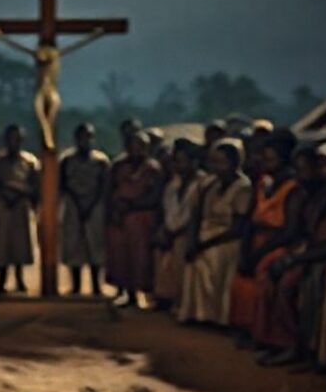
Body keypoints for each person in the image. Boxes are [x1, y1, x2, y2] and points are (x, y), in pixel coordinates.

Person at [267, 140, 326, 370]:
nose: (320, 170)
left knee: (320, 301)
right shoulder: (323, 192)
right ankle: (297, 347)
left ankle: (318, 355)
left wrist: (298, 258)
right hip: (315, 254)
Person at [229, 129, 305, 347]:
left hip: (279, 244)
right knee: (241, 278)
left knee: (264, 274)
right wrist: (246, 250)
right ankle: (248, 329)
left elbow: (289, 231)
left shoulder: (294, 188)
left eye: (269, 157)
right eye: (263, 156)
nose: (263, 161)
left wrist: (259, 253)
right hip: (257, 241)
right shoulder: (263, 183)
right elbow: (249, 220)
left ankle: (270, 337)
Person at [178, 138, 252, 325]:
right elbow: (197, 213)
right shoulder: (210, 184)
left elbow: (238, 228)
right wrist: (194, 239)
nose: (216, 167)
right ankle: (196, 313)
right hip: (206, 234)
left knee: (211, 257)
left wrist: (205, 243)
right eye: (214, 162)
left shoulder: (243, 187)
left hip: (226, 239)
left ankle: (214, 316)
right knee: (192, 256)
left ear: (235, 163)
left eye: (221, 162)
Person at [107, 130, 164, 308]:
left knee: (142, 258)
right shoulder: (118, 166)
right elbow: (110, 190)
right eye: (133, 146)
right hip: (120, 219)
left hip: (143, 218)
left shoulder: (153, 169)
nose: (137, 150)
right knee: (122, 258)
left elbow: (156, 196)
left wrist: (133, 204)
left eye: (141, 146)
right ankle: (127, 293)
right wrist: (115, 211)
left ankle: (144, 295)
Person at [153, 138, 206, 310]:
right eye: (175, 161)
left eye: (181, 161)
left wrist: (178, 231)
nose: (177, 165)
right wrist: (165, 229)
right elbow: (167, 210)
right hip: (172, 230)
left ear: (194, 162)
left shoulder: (203, 184)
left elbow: (198, 215)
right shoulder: (172, 184)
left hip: (190, 233)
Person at [0, 124, 40, 296]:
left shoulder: (30, 161)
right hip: (2, 205)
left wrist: (24, 197)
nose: (13, 142)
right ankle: (0, 281)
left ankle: (20, 280)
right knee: (1, 244)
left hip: (21, 206)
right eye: (11, 138)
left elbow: (35, 186)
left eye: (17, 139)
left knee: (20, 244)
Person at [60, 123, 110, 296]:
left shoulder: (101, 161)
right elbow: (63, 185)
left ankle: (97, 286)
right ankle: (76, 286)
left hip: (95, 207)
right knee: (74, 245)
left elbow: (104, 186)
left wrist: (91, 204)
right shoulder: (67, 160)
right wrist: (76, 202)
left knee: (95, 245)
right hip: (73, 206)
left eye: (88, 137)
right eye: (81, 137)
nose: (85, 141)